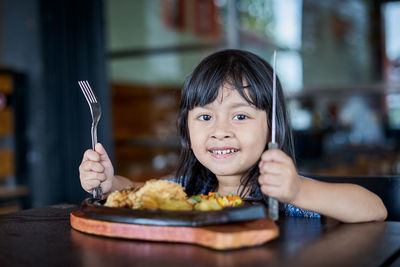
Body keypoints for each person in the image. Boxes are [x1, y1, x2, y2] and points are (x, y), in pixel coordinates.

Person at [79, 49, 387, 223]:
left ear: (272, 126)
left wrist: (296, 192)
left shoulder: (283, 191)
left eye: (240, 116)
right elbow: (137, 191)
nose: (220, 131)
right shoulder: (186, 190)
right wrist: (109, 183)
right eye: (205, 117)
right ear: (186, 126)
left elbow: (374, 209)